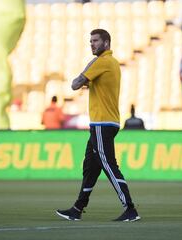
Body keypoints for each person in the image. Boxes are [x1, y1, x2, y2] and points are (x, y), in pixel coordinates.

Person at [56, 29, 140, 222]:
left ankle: (130, 208)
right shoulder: (112, 63)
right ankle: (77, 208)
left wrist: (87, 71)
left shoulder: (101, 62)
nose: (91, 44)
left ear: (107, 43)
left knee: (109, 165)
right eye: (90, 41)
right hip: (103, 123)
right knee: (91, 167)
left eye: (95, 41)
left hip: (103, 122)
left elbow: (75, 84)